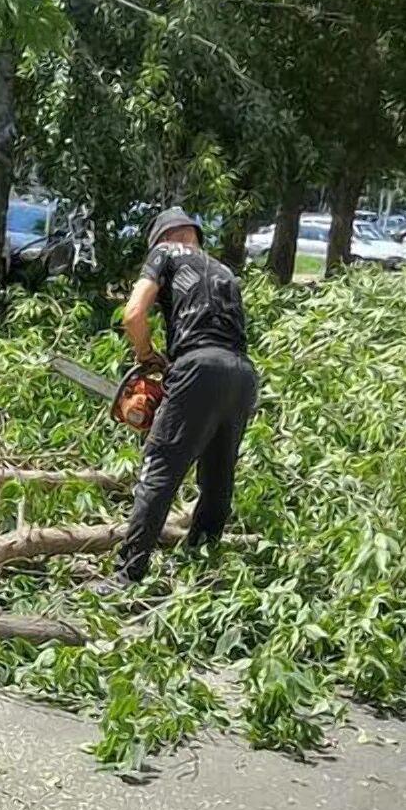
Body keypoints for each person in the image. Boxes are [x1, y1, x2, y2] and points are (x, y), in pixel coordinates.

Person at [107, 207, 259, 586]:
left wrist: (146, 355)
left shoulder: (164, 254)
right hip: (242, 373)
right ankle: (202, 564)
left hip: (198, 367)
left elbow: (133, 313)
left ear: (162, 238)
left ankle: (128, 574)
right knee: (218, 477)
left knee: (159, 469)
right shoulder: (225, 270)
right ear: (195, 235)